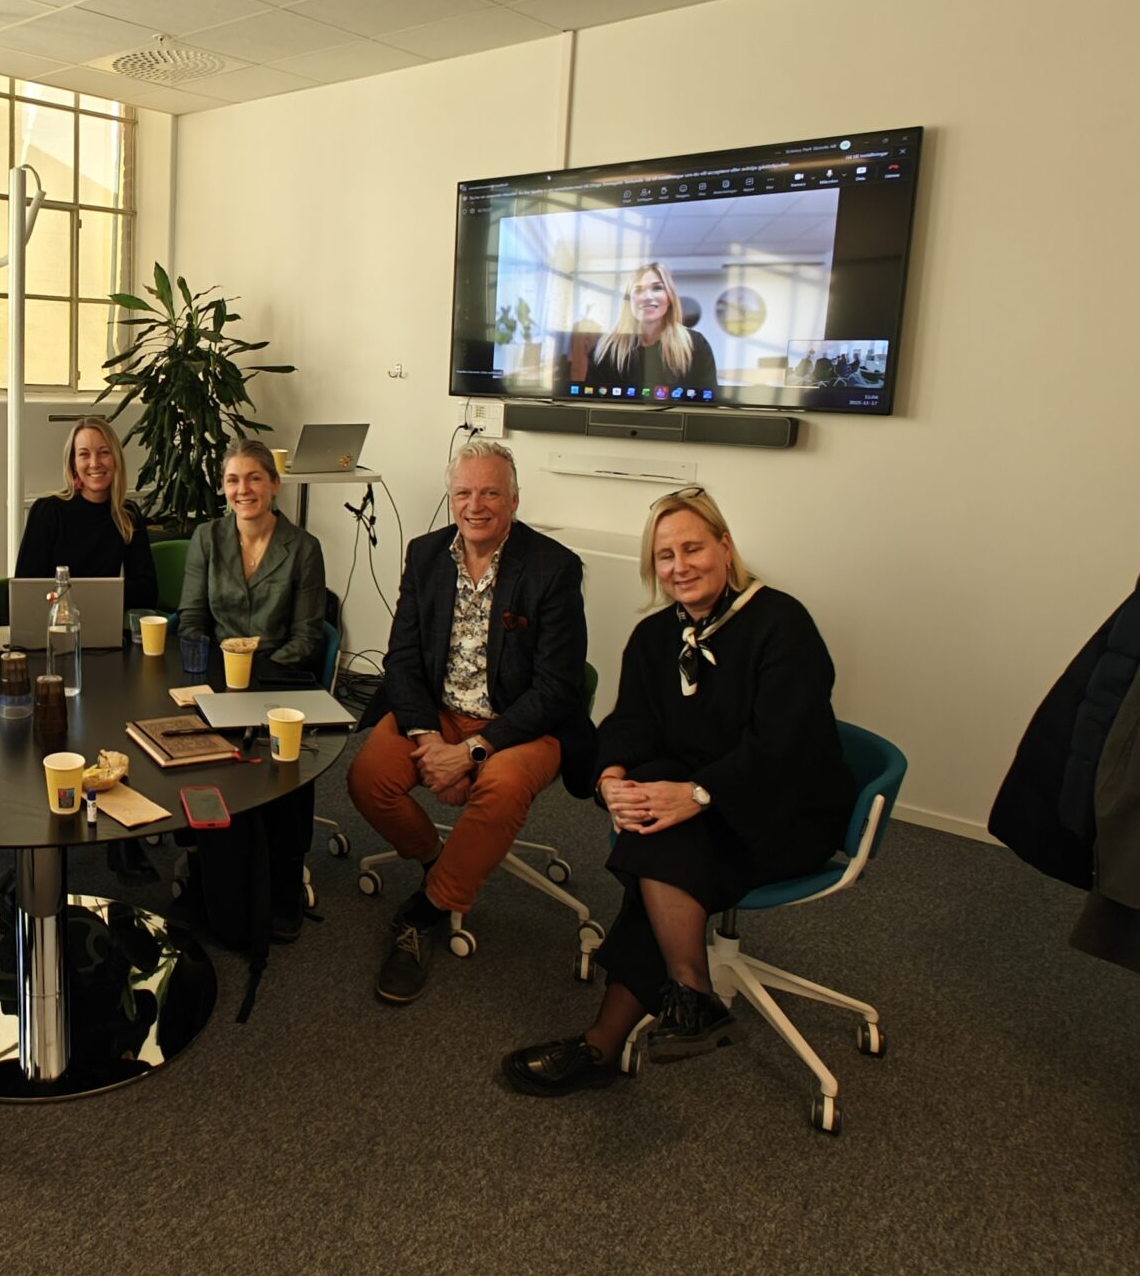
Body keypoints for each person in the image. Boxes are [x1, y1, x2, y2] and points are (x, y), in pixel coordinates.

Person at [502, 486, 854, 1096]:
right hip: (701, 805)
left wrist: (694, 794)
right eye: (665, 557)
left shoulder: (782, 623)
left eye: (693, 548)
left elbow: (782, 747)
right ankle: (682, 1003)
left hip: (786, 808)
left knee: (657, 846)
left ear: (725, 547)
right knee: (649, 823)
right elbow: (629, 724)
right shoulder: (656, 636)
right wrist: (612, 779)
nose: (680, 566)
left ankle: (623, 1031)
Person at [347, 439, 592, 1004]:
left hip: (520, 724)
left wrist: (474, 752)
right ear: (450, 497)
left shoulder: (553, 568)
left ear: (513, 500)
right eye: (463, 492)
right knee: (366, 779)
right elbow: (402, 660)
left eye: (490, 492)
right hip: (436, 715)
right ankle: (442, 860)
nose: (475, 504)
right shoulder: (426, 554)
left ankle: (427, 910)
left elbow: (557, 688)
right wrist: (430, 739)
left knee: (502, 790)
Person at [176, 437, 328, 943]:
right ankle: (207, 873)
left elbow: (309, 637)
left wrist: (254, 668)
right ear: (224, 488)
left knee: (278, 765)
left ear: (274, 484)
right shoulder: (207, 538)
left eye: (255, 478)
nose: (244, 490)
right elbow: (193, 620)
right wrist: (215, 673)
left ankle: (283, 878)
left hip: (280, 681)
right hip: (216, 679)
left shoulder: (303, 548)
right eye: (234, 480)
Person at [13, 415, 158, 617]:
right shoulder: (47, 512)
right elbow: (26, 590)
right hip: (51, 626)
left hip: (105, 626)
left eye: (104, 452)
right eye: (84, 454)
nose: (94, 463)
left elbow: (147, 592)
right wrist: (102, 595)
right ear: (73, 464)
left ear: (116, 459)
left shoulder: (128, 515)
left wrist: (88, 597)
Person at [587, 262, 718, 397]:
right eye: (638, 290)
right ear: (628, 301)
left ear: (669, 298)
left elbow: (707, 402)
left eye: (657, 288)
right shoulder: (605, 349)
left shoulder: (695, 345)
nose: (648, 297)